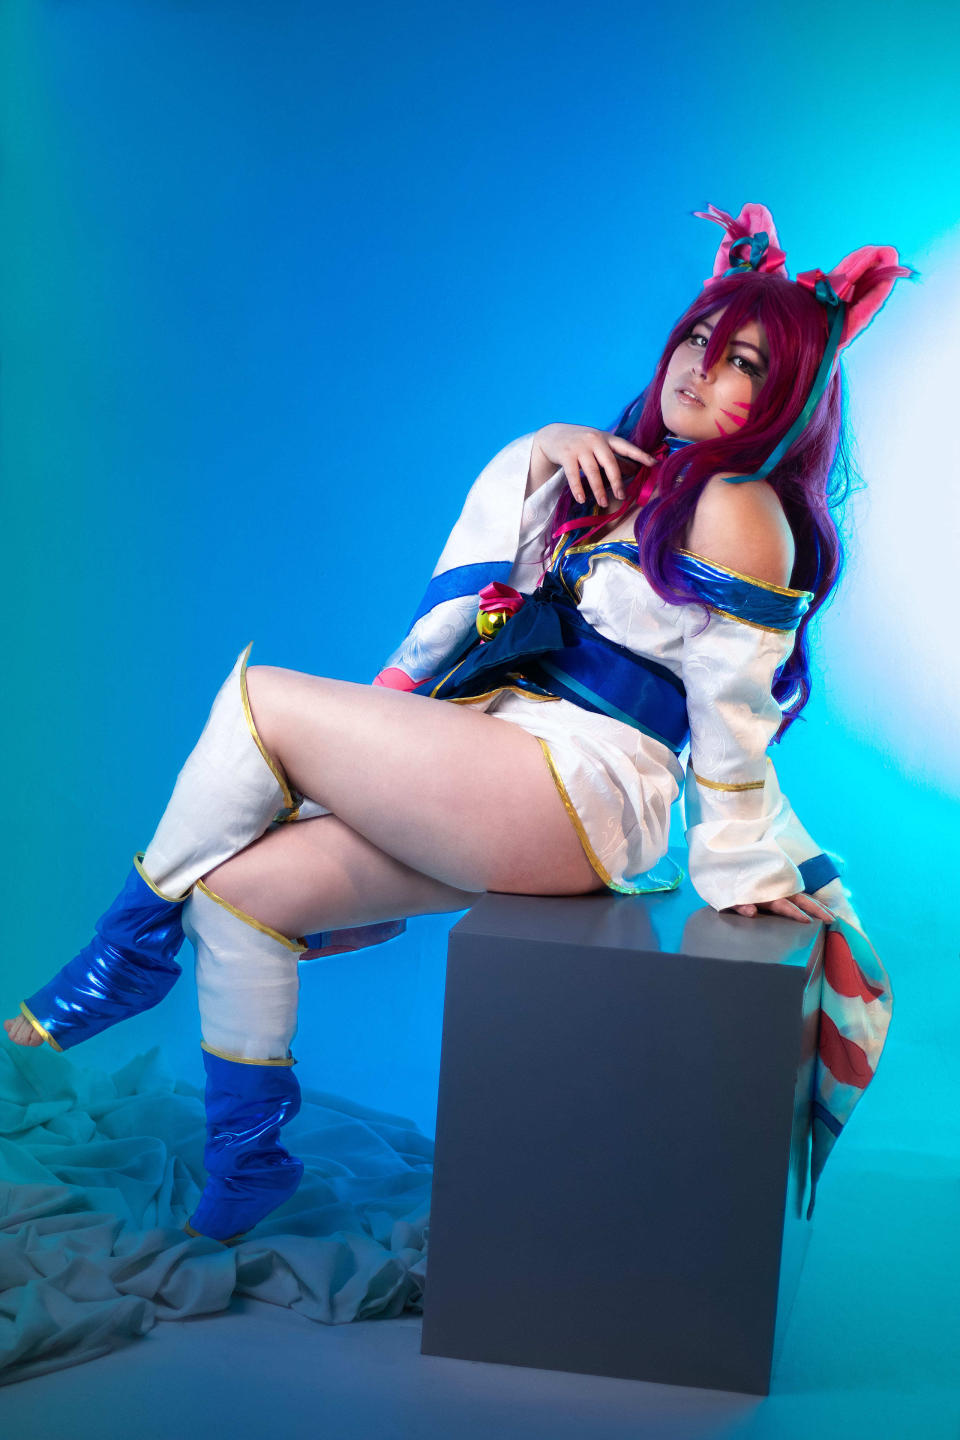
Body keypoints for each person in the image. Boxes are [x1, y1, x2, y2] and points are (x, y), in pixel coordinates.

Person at [4, 202, 912, 1242]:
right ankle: (248, 1162)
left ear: (789, 396)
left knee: (263, 701)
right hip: (506, 762)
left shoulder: (738, 507)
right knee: (239, 897)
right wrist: (542, 449)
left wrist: (743, 856)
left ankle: (123, 955)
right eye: (698, 338)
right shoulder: (640, 480)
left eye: (742, 361)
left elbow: (731, 706)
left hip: (583, 786)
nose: (701, 368)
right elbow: (497, 586)